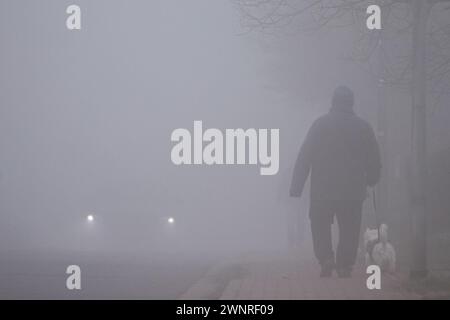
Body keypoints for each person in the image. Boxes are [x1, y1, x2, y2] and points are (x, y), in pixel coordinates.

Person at [290, 86, 381, 278]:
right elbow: (374, 157)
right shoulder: (363, 127)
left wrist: (296, 186)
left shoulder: (319, 125)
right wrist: (372, 178)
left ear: (333, 102)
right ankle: (345, 264)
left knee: (319, 224)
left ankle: (326, 259)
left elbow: (305, 156)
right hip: (352, 190)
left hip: (323, 189)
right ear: (351, 102)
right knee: (350, 227)